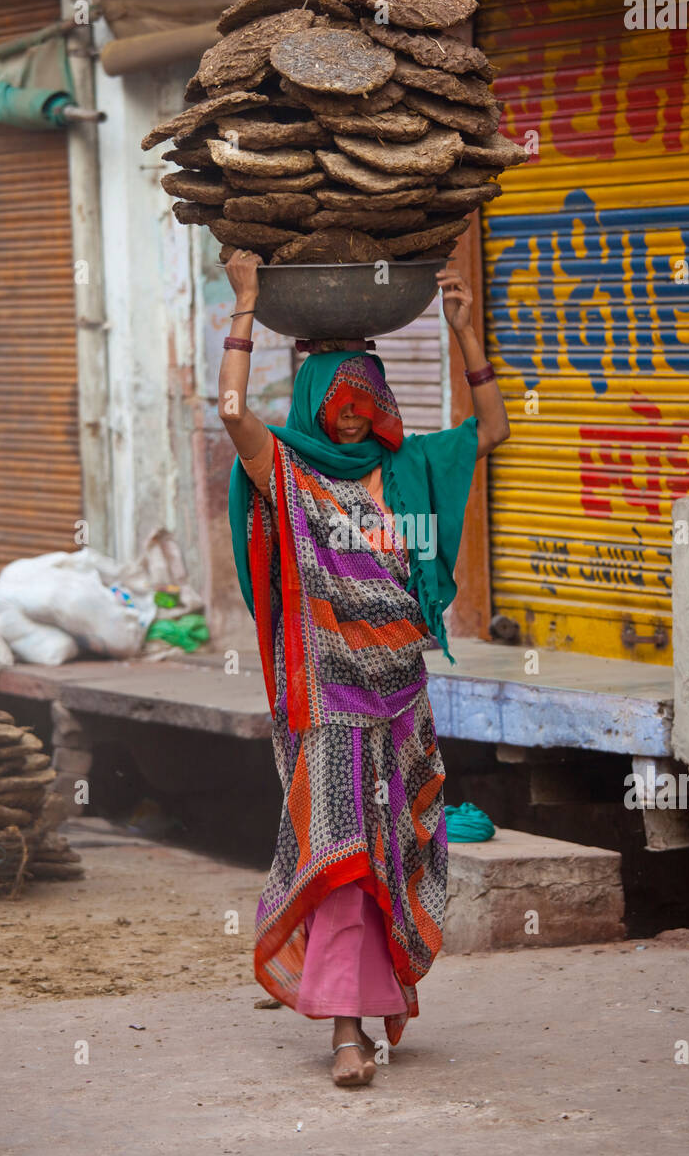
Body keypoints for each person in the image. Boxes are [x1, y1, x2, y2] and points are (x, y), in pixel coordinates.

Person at [218, 248, 510, 1086]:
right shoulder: (290, 473)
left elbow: (491, 429)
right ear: (316, 404)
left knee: (400, 853)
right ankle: (344, 1032)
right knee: (343, 861)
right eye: (340, 406)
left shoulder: (408, 468)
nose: (352, 421)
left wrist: (463, 330)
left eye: (367, 406)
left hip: (403, 704)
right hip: (330, 709)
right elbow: (232, 411)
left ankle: (381, 1001)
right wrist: (245, 305)